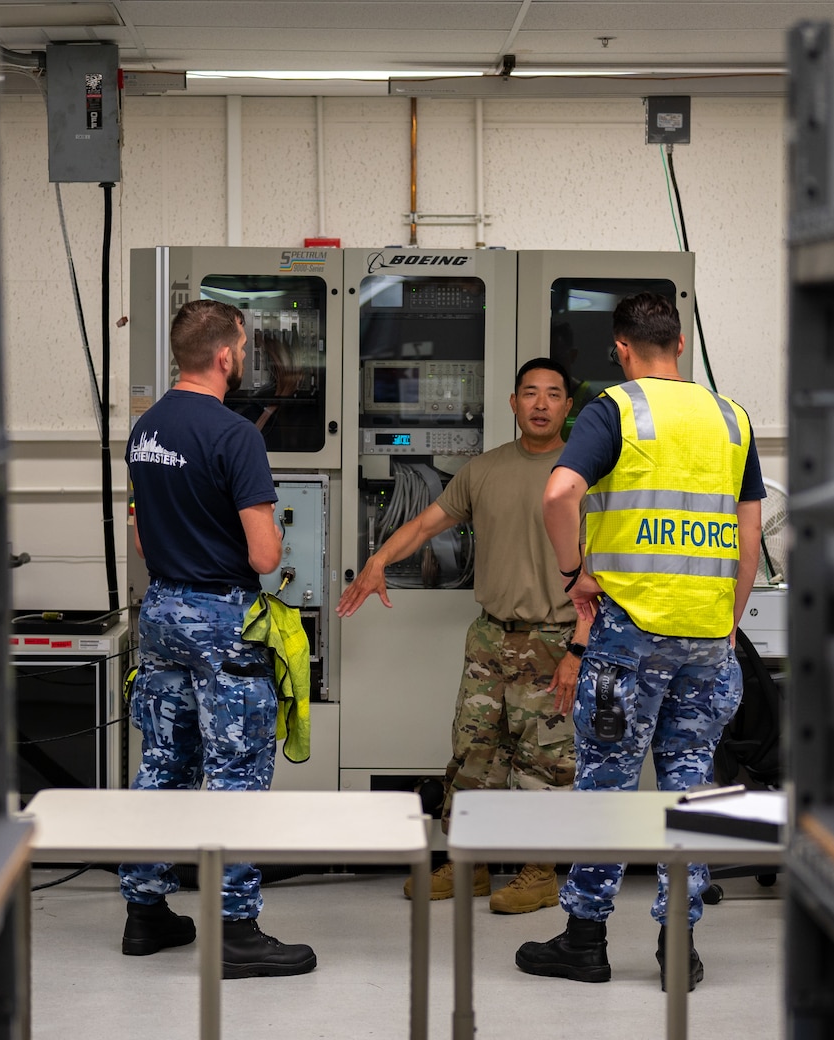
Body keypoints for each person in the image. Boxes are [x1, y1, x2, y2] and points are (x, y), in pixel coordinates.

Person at [520, 292, 764, 991]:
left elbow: (559, 493)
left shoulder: (617, 408)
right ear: (680, 344)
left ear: (622, 350)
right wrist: (726, 617)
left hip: (629, 635)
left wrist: (576, 574)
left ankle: (585, 939)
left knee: (608, 783)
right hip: (707, 637)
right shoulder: (732, 418)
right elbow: (749, 542)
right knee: (692, 787)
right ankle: (678, 944)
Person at [338, 358, 590, 914]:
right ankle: (469, 863)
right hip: (489, 637)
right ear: (512, 402)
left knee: (544, 761)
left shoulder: (585, 473)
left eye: (553, 395)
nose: (542, 404)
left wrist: (579, 646)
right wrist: (379, 559)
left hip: (554, 636)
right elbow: (427, 523)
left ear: (569, 406)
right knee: (473, 754)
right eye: (530, 393)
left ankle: (539, 870)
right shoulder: (484, 469)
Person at [119, 299, 317, 978]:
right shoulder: (235, 436)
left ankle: (144, 912)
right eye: (244, 347)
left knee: (164, 763)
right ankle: (235, 932)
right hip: (222, 618)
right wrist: (278, 540)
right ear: (227, 355)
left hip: (164, 609)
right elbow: (264, 556)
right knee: (235, 775)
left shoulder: (145, 430)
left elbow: (142, 537)